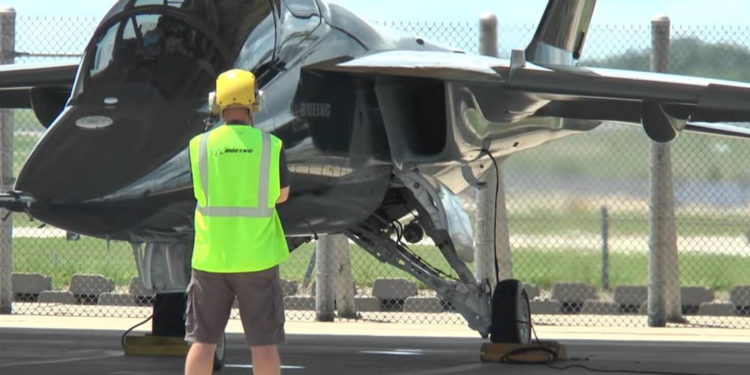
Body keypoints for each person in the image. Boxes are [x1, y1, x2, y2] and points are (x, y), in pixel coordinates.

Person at [185, 69, 290, 375]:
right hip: (257, 257)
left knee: (202, 341)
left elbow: (199, 191)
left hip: (211, 256)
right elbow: (280, 195)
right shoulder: (270, 145)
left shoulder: (200, 145)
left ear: (215, 102)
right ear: (254, 101)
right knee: (263, 343)